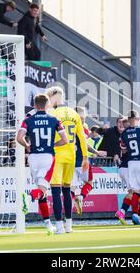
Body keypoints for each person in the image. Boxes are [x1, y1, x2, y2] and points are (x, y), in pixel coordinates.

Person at [17, 94, 68, 235]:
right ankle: (29, 197)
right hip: (47, 157)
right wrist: (53, 144)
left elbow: (19, 138)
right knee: (41, 190)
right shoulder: (55, 120)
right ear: (47, 105)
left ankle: (48, 225)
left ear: (34, 105)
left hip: (33, 157)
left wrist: (27, 146)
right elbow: (65, 140)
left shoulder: (28, 120)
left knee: (42, 192)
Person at [45, 86, 88, 234]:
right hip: (71, 156)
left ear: (56, 96)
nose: (48, 100)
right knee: (67, 189)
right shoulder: (74, 114)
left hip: (56, 156)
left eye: (49, 96)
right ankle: (69, 225)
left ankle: (59, 226)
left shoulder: (52, 113)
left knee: (56, 191)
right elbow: (82, 138)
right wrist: (85, 158)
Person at [71, 107, 106, 215]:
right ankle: (81, 197)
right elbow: (84, 145)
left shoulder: (68, 127)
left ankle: (70, 212)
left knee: (71, 188)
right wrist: (96, 152)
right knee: (89, 183)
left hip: (71, 161)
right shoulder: (83, 129)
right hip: (83, 160)